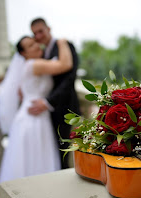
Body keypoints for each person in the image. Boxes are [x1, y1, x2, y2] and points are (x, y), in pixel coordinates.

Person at [0, 37, 73, 198]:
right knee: (34, 161)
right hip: (32, 120)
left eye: (35, 42)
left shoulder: (32, 65)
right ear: (23, 54)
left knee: (34, 161)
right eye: (30, 46)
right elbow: (65, 64)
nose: (36, 46)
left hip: (37, 117)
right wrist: (61, 42)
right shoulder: (33, 65)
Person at [29, 18, 81, 169]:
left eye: (40, 31)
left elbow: (70, 79)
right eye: (34, 33)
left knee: (63, 151)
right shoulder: (40, 53)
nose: (38, 36)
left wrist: (48, 102)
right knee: (50, 152)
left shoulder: (64, 46)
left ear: (49, 29)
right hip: (46, 113)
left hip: (64, 108)